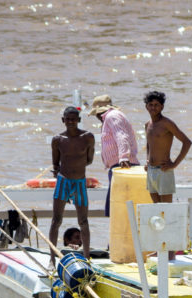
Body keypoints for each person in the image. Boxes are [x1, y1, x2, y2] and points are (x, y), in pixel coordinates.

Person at [49, 106, 95, 262]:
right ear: (63, 120)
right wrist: (60, 172)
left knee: (83, 221)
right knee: (56, 220)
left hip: (79, 182)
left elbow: (89, 160)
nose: (70, 122)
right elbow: (55, 164)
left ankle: (87, 257)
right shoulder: (58, 140)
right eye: (67, 119)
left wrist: (76, 169)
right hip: (63, 182)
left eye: (74, 119)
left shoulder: (87, 137)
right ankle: (52, 259)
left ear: (79, 120)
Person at [89, 94, 139, 217]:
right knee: (117, 207)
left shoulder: (112, 116)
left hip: (122, 166)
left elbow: (121, 136)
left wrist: (123, 157)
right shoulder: (113, 116)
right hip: (119, 165)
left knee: (118, 209)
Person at [143, 90, 192, 203]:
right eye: (150, 105)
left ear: (162, 107)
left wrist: (174, 164)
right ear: (146, 107)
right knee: (156, 208)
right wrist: (147, 159)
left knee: (166, 209)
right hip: (150, 170)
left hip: (164, 170)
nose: (153, 108)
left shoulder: (167, 124)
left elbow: (187, 142)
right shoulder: (147, 125)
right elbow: (149, 143)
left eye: (156, 105)